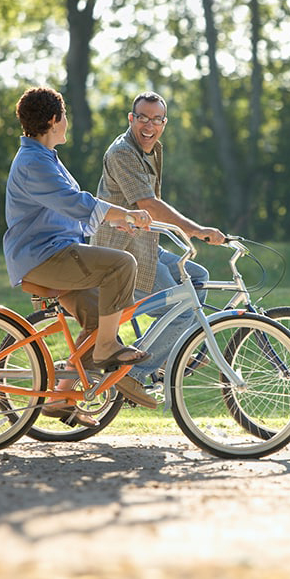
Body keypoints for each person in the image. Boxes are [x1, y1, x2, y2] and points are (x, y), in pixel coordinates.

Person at [3, 86, 160, 423]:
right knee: (122, 264)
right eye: (65, 115)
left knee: (96, 321)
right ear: (54, 120)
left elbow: (67, 213)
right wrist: (126, 214)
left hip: (54, 251)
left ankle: (61, 397)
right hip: (43, 257)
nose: (67, 121)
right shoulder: (34, 162)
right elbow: (78, 203)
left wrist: (118, 224)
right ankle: (107, 350)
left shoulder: (44, 157)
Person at [94, 91, 227, 386]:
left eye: (156, 119)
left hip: (144, 247)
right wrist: (193, 229)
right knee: (179, 312)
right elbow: (148, 204)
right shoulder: (122, 153)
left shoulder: (152, 149)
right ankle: (135, 376)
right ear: (131, 119)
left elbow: (149, 208)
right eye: (142, 117)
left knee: (198, 278)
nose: (149, 125)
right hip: (121, 255)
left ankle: (161, 353)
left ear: (164, 123)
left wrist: (176, 233)